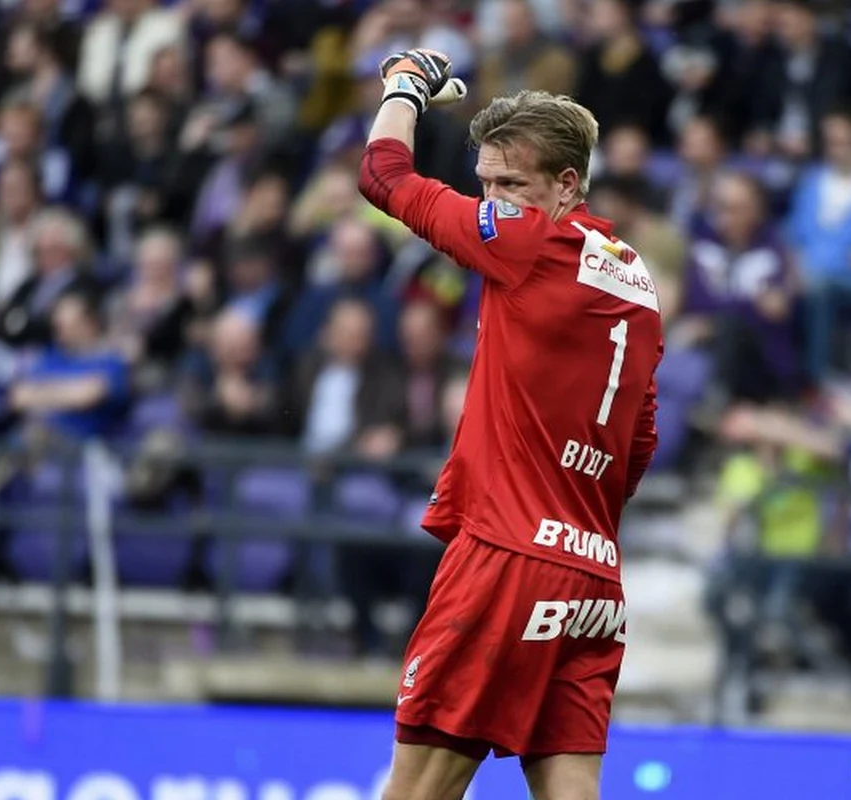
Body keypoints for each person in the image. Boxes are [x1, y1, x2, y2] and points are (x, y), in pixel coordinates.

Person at [356, 50, 663, 800]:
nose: (492, 203)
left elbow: (383, 177)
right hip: (592, 575)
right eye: (486, 186)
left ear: (568, 184)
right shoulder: (637, 278)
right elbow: (640, 434)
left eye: (511, 187)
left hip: (506, 557)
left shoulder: (525, 244)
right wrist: (576, 514)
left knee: (417, 790)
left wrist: (404, 85)